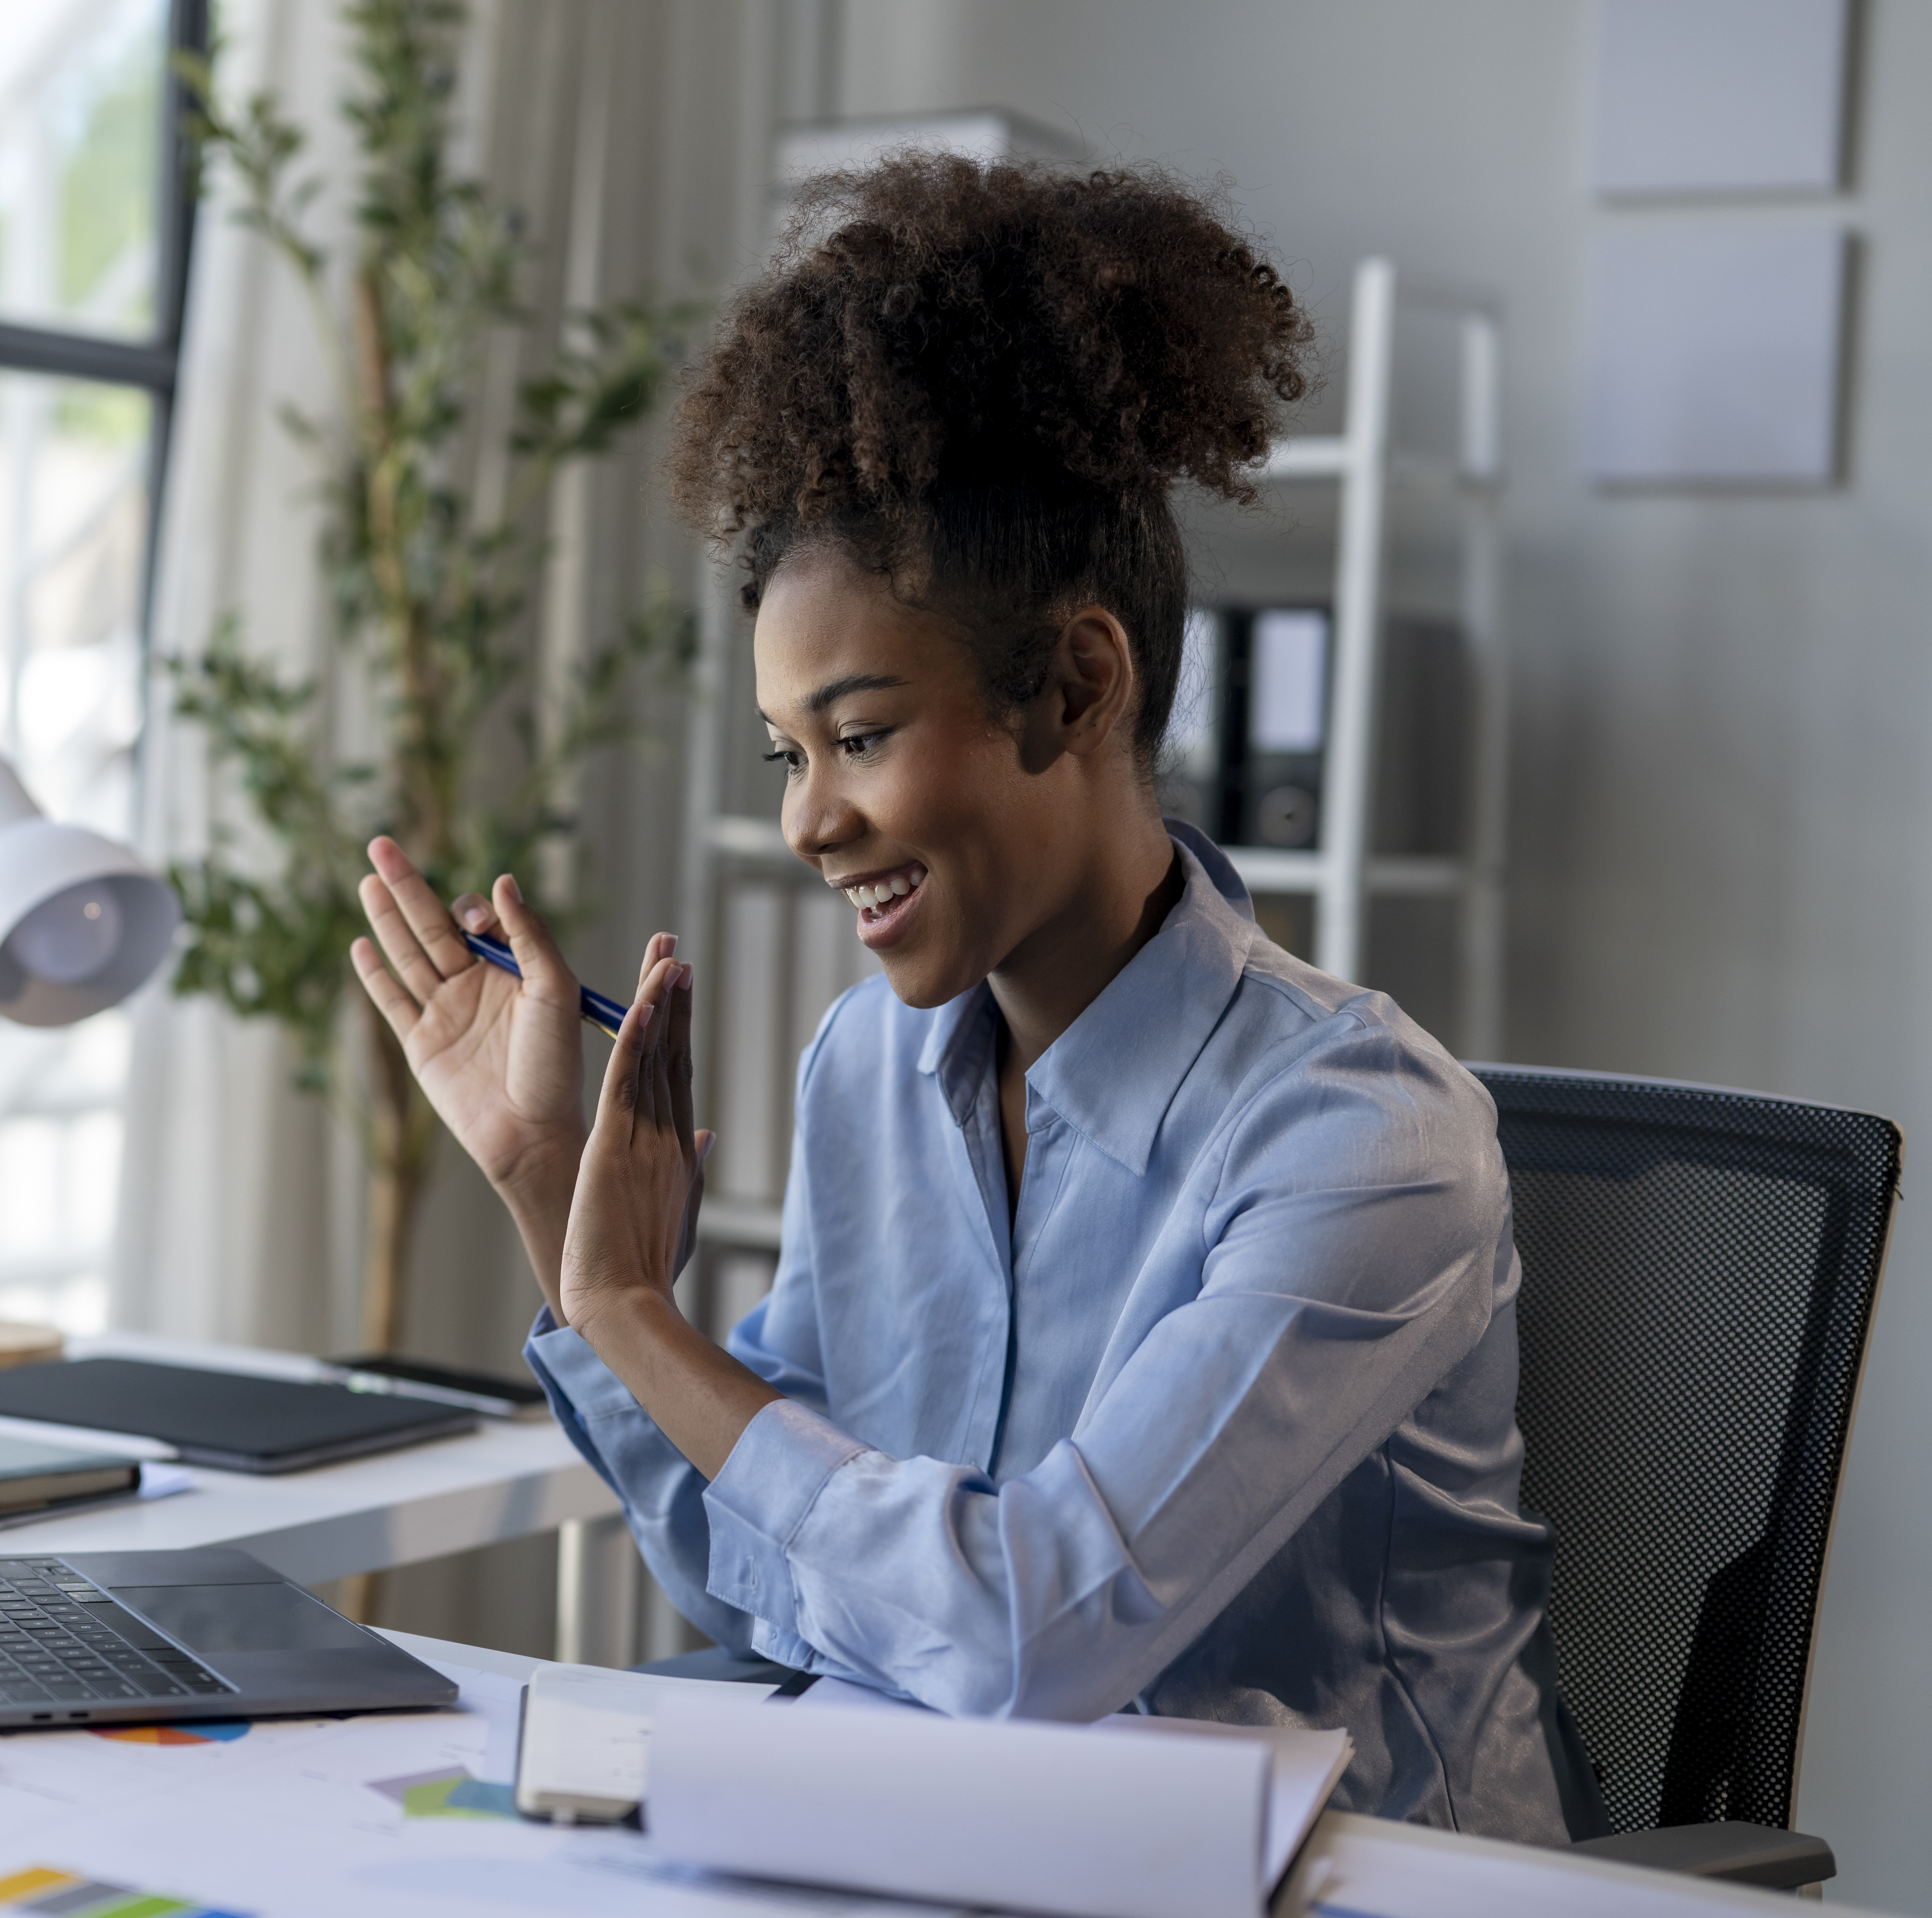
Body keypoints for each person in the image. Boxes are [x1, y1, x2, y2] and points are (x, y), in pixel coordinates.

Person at [348, 155, 1569, 1842]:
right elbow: (769, 1562)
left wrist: (640, 1312)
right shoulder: (876, 1063)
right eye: (787, 754)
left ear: (1075, 684)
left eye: (857, 736)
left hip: (1362, 1885)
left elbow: (1029, 1629)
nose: (806, 818)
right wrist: (565, 1203)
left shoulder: (1365, 1138)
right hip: (983, 1846)